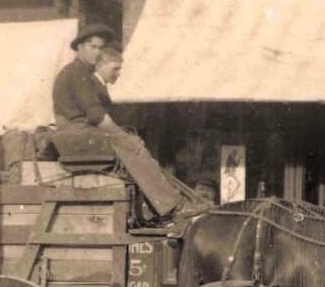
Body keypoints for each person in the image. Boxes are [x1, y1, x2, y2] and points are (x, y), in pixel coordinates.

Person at [51, 24, 209, 224]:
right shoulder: (78, 74)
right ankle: (171, 205)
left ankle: (160, 205)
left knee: (131, 142)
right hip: (78, 134)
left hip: (79, 134)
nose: (97, 52)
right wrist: (124, 137)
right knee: (132, 146)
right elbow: (98, 118)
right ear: (79, 48)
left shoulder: (82, 74)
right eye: (93, 47)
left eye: (100, 48)